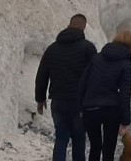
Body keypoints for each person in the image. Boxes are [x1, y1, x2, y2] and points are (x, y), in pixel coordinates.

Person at [36, 14, 98, 161]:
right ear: (83, 27)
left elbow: (42, 75)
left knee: (61, 138)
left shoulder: (52, 49)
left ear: (69, 24)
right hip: (79, 103)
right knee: (79, 138)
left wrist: (40, 99)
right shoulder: (88, 48)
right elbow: (95, 75)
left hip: (58, 101)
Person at [77, 28, 131, 161]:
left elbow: (83, 83)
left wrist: (81, 106)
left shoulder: (96, 57)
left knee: (95, 146)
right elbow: (125, 94)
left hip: (90, 107)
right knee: (109, 149)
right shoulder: (126, 64)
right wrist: (125, 120)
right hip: (111, 109)